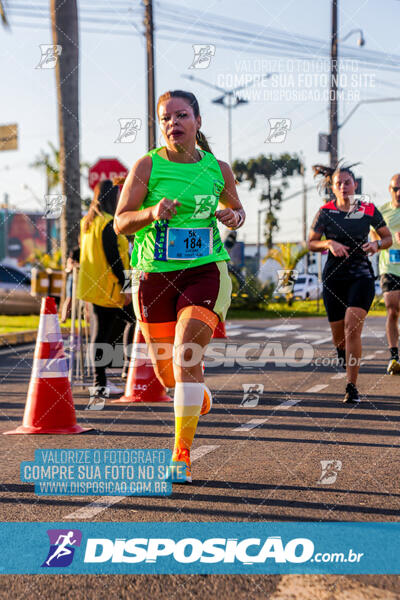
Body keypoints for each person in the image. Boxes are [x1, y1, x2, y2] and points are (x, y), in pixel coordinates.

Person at [114, 89, 245, 482]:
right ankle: (198, 394)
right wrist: (152, 211)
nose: (174, 123)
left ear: (198, 122)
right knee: (169, 374)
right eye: (166, 118)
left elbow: (238, 210)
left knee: (187, 350)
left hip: (206, 269)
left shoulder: (217, 169)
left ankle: (180, 454)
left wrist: (233, 217)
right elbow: (120, 222)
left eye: (182, 115)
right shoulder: (146, 167)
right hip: (155, 274)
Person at [308, 163, 392, 403]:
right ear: (332, 188)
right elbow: (311, 242)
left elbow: (387, 237)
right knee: (339, 337)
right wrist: (328, 244)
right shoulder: (325, 212)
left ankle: (351, 386)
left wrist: (376, 244)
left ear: (355, 185)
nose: (343, 187)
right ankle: (343, 355)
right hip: (334, 278)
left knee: (351, 325)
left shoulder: (367, 209)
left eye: (347, 182)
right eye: (338, 183)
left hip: (361, 276)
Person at [77, 180, 135, 398]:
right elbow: (116, 260)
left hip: (93, 287)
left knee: (99, 334)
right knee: (134, 321)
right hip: (110, 289)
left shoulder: (88, 222)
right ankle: (123, 372)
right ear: (113, 199)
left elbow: (82, 251)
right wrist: (127, 286)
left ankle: (102, 380)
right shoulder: (109, 224)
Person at [370, 174, 400, 374]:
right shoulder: (382, 212)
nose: (399, 192)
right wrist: (384, 241)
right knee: (392, 308)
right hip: (389, 268)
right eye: (395, 188)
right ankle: (394, 356)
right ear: (389, 190)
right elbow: (375, 241)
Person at [60, 245, 80, 323]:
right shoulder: (75, 251)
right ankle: (64, 318)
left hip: (83, 277)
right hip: (74, 276)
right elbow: (70, 263)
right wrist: (76, 265)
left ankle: (89, 320)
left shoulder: (88, 250)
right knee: (69, 298)